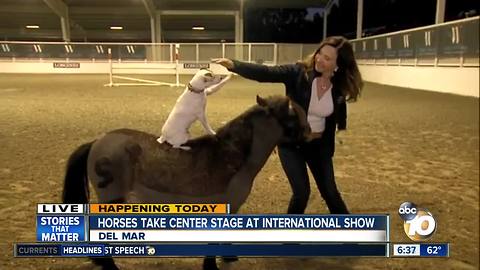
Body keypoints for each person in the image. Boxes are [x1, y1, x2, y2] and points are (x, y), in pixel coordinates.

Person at [212, 36, 363, 214]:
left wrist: (342, 127)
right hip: (292, 146)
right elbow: (266, 73)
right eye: (319, 53)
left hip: (320, 147)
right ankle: (288, 233)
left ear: (339, 65)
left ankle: (350, 231)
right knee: (302, 193)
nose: (319, 59)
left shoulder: (338, 85)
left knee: (331, 193)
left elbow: (340, 106)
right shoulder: (297, 72)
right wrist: (235, 65)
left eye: (327, 58)